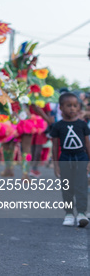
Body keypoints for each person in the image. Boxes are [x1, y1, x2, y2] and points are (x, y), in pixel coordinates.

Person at [49, 92, 90, 227]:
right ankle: (69, 213)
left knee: (81, 186)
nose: (72, 108)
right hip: (65, 158)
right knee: (67, 187)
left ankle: (82, 213)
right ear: (60, 108)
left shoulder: (82, 125)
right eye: (68, 106)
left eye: (75, 105)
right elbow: (55, 147)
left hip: (81, 158)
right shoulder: (58, 126)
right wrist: (56, 165)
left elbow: (87, 144)